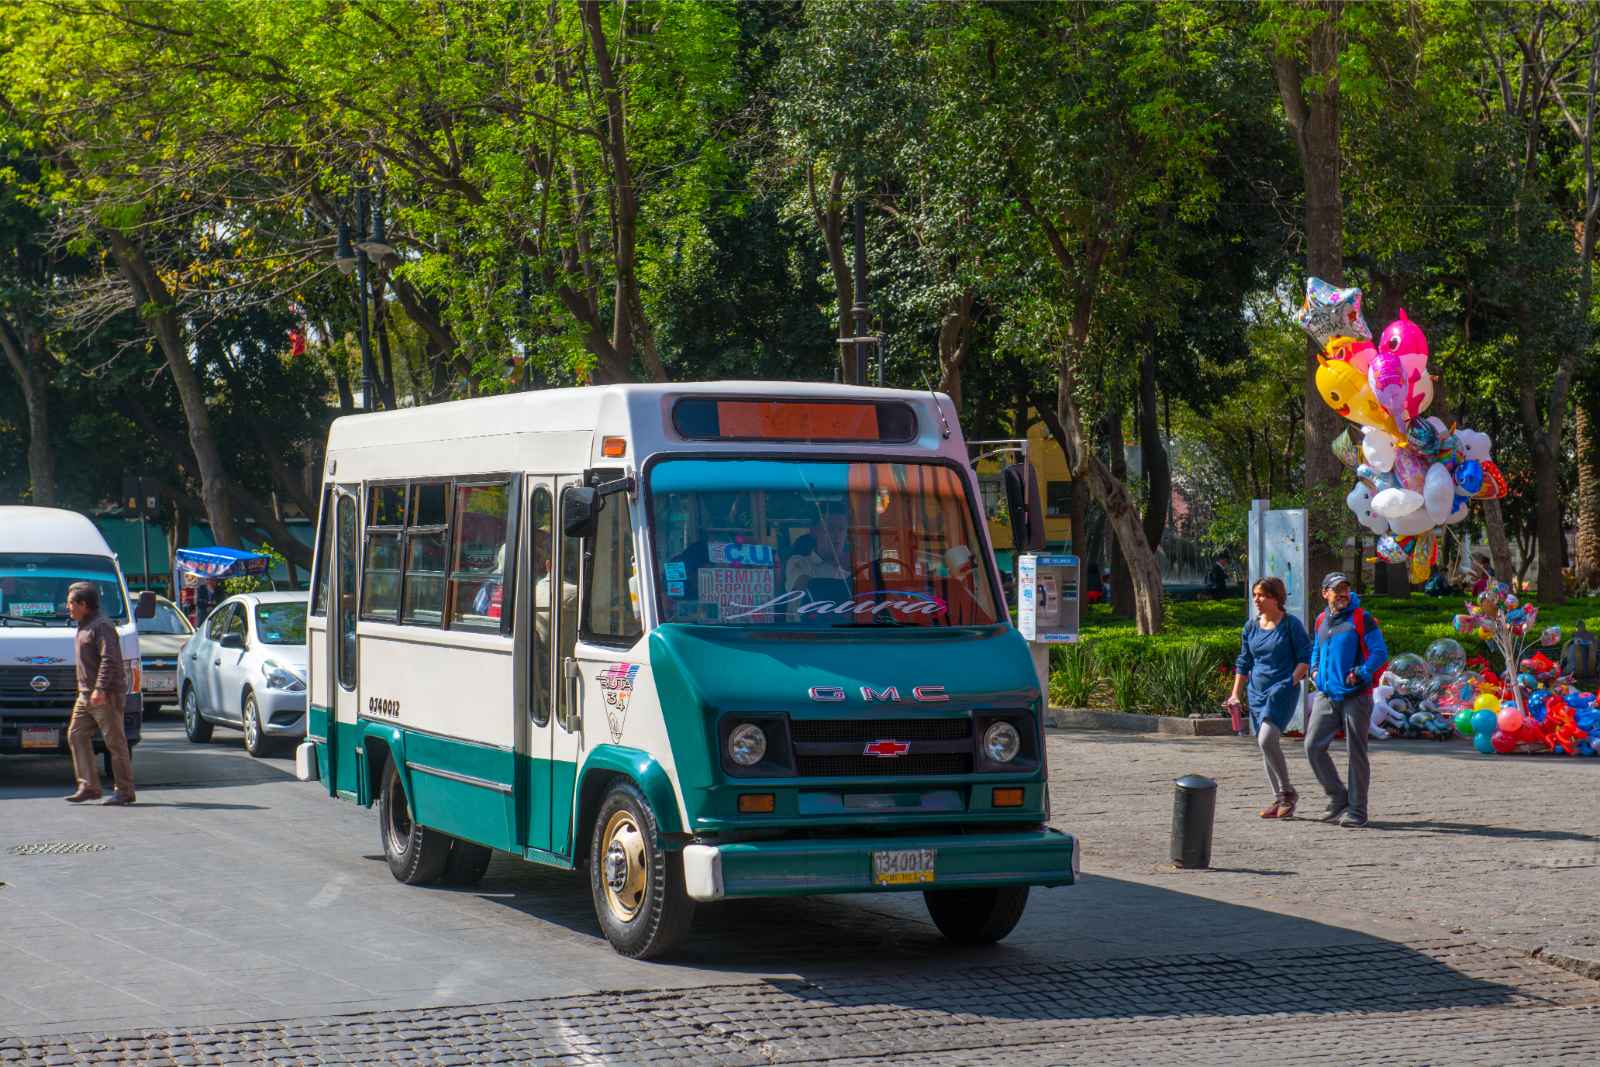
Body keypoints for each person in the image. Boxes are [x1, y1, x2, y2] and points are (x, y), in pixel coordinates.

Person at [1226, 577, 1312, 820]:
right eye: (1254, 595)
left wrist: (1291, 682)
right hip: (1256, 692)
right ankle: (1279, 798)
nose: (1256, 600)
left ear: (1277, 598)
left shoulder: (1290, 625)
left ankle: (1287, 793)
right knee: (1266, 746)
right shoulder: (1251, 627)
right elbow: (1244, 662)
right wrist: (1235, 694)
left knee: (1266, 739)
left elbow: (1305, 658)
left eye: (1262, 595)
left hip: (1282, 691)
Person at [1306, 572, 1387, 829]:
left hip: (1356, 696)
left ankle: (1357, 810)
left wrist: (1361, 673)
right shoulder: (1321, 619)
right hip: (1327, 694)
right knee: (1312, 746)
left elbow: (1379, 652)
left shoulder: (1361, 618)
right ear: (1324, 593)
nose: (1342, 593)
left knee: (1356, 753)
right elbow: (1316, 651)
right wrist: (1316, 672)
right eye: (1336, 589)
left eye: (1345, 588)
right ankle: (1337, 797)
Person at [64, 582, 135, 805]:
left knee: (115, 743)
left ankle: (124, 791)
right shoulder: (84, 625)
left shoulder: (101, 626)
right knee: (76, 735)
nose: (68, 608)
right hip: (85, 695)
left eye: (70, 603)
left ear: (84, 604)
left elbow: (110, 659)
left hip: (104, 695)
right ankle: (89, 786)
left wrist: (101, 689)